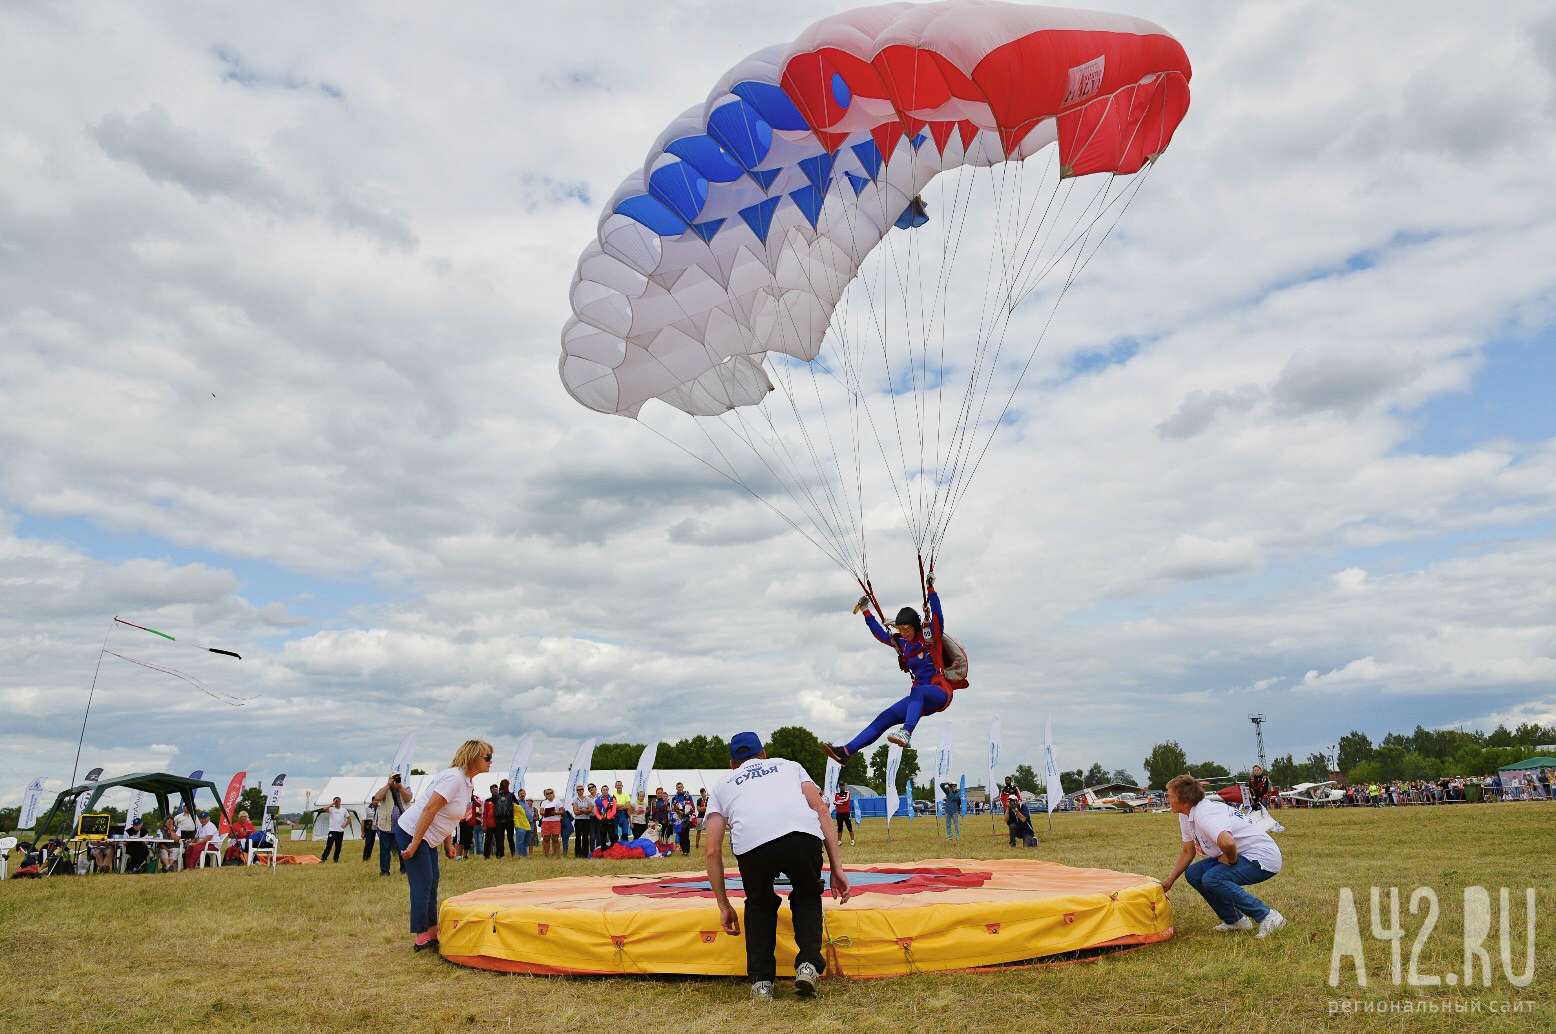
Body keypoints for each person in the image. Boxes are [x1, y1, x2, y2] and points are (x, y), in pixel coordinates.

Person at [704, 732, 851, 1001]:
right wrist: (836, 867)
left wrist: (724, 905)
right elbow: (820, 809)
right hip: (802, 836)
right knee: (807, 894)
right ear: (764, 754)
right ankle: (808, 965)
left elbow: (712, 850)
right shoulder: (789, 766)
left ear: (731, 763)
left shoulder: (722, 784)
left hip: (753, 845)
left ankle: (762, 982)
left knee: (759, 904)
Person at [823, 574, 955, 760]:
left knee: (918, 691)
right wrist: (866, 611)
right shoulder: (902, 644)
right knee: (885, 717)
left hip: (939, 691)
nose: (904, 633)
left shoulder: (930, 637)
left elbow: (937, 616)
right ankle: (846, 752)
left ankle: (906, 732)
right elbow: (879, 633)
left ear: (915, 626)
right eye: (901, 629)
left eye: (907, 629)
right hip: (919, 697)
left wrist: (931, 591)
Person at [1161, 773, 1285, 938]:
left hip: (1262, 858)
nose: (1167, 800)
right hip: (1243, 853)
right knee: (1194, 874)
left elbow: (1228, 843)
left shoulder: (1204, 814)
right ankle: (1235, 920)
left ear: (1184, 798)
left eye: (1170, 796)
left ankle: (1267, 915)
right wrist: (1169, 881)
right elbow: (1187, 851)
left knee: (1212, 878)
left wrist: (1231, 859)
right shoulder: (1186, 814)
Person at [398, 739, 490, 951]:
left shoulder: (466, 782)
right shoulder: (454, 779)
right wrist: (414, 844)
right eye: (487, 757)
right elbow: (430, 810)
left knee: (433, 880)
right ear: (474, 757)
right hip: (413, 831)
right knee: (423, 881)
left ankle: (432, 930)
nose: (490, 761)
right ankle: (422, 936)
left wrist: (449, 844)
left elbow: (449, 816)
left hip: (428, 835)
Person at [371, 773, 413, 876]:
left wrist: (400, 787)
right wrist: (388, 785)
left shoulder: (405, 787)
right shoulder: (385, 789)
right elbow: (377, 798)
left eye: (398, 778)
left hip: (403, 824)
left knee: (403, 848)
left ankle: (405, 869)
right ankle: (385, 871)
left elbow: (408, 798)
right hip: (387, 825)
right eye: (394, 778)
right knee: (385, 849)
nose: (396, 780)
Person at [320, 797, 354, 862]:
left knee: (338, 846)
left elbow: (349, 818)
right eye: (336, 801)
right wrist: (332, 803)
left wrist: (345, 825)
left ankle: (336, 859)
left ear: (340, 802)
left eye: (338, 801)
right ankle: (323, 858)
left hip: (340, 831)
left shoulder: (343, 810)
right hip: (332, 830)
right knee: (329, 845)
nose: (337, 803)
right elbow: (325, 809)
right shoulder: (331, 809)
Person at [490, 780, 517, 858]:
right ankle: (513, 853)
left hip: (499, 820)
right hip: (509, 820)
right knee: (510, 838)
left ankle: (501, 855)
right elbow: (517, 805)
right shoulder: (511, 795)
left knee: (500, 838)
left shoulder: (496, 796)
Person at [537, 788, 564, 858]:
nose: (549, 794)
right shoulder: (544, 802)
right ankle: (546, 856)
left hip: (555, 822)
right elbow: (541, 812)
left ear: (553, 794)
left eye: (550, 793)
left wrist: (555, 812)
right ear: (545, 795)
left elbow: (562, 811)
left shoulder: (558, 801)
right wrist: (549, 812)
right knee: (546, 838)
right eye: (547, 793)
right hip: (546, 822)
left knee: (555, 838)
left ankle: (557, 855)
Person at [593, 784, 618, 853]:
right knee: (603, 837)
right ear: (601, 791)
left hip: (611, 819)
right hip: (602, 820)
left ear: (608, 790)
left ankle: (613, 851)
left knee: (612, 836)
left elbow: (614, 810)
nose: (605, 791)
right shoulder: (597, 800)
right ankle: (603, 851)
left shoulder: (612, 799)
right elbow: (596, 811)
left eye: (606, 790)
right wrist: (600, 818)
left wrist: (608, 817)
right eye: (603, 790)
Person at [672, 782, 695, 857]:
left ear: (683, 787)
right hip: (679, 819)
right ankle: (683, 851)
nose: (680, 788)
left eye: (681, 787)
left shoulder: (688, 796)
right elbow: (672, 809)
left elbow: (692, 806)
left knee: (686, 835)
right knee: (680, 835)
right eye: (678, 787)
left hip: (686, 818)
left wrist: (692, 815)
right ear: (676, 788)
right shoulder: (674, 798)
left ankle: (687, 851)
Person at [570, 785, 593, 859]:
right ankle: (578, 854)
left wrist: (581, 810)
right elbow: (575, 812)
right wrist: (585, 810)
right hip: (578, 820)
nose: (580, 791)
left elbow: (590, 810)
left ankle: (585, 854)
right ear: (577, 791)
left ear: (583, 790)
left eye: (581, 789)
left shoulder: (588, 799)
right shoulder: (575, 800)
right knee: (578, 836)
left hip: (586, 820)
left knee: (586, 837)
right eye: (578, 790)